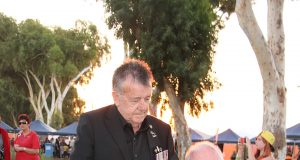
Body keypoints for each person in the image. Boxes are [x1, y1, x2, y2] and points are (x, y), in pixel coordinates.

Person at [71, 58, 178, 160]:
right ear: (116, 98)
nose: (143, 107)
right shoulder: (92, 125)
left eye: (147, 99)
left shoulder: (162, 131)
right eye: (135, 100)